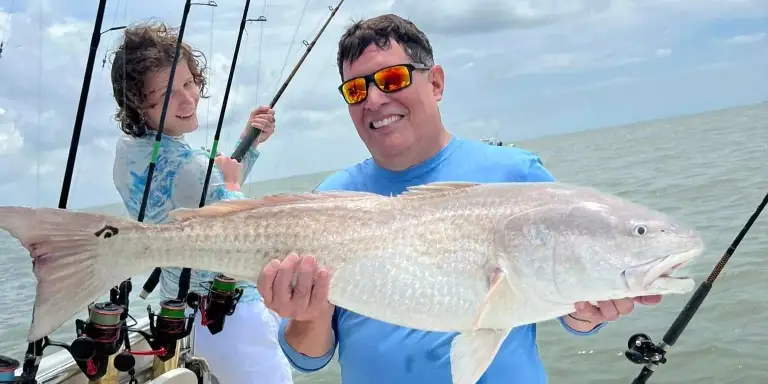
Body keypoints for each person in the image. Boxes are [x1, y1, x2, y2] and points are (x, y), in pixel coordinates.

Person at [255, 14, 663, 383]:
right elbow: (309, 358)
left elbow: (571, 310)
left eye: (392, 79)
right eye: (356, 89)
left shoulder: (517, 177)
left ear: (435, 83)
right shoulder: (329, 201)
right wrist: (307, 315)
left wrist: (588, 314)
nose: (375, 100)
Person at [109, 21, 293, 384]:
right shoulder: (189, 167)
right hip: (231, 319)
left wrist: (248, 145)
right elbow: (241, 229)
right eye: (167, 95)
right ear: (136, 103)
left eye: (189, 83)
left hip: (178, 317)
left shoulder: (127, 154)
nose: (189, 99)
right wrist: (233, 183)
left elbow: (200, 191)